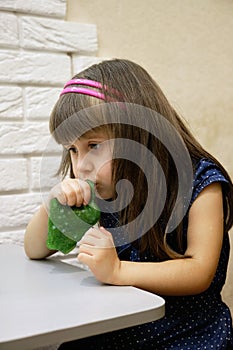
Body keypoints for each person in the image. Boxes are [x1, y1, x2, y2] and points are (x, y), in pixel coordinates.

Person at [24, 59, 233, 349]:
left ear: (138, 135)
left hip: (186, 333)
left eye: (93, 145)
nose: (81, 165)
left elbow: (199, 273)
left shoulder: (201, 183)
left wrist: (117, 271)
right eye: (72, 149)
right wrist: (52, 204)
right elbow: (35, 250)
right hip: (120, 324)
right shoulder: (102, 188)